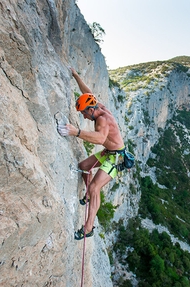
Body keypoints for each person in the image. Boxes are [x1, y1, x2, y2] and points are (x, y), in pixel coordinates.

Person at [58, 68, 125, 240]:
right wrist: (75, 75)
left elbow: (100, 137)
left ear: (90, 109)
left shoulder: (102, 119)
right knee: (83, 167)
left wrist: (76, 132)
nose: (84, 116)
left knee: (95, 187)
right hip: (108, 152)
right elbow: (87, 92)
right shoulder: (97, 106)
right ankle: (88, 196)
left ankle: (88, 228)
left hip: (116, 157)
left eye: (83, 113)